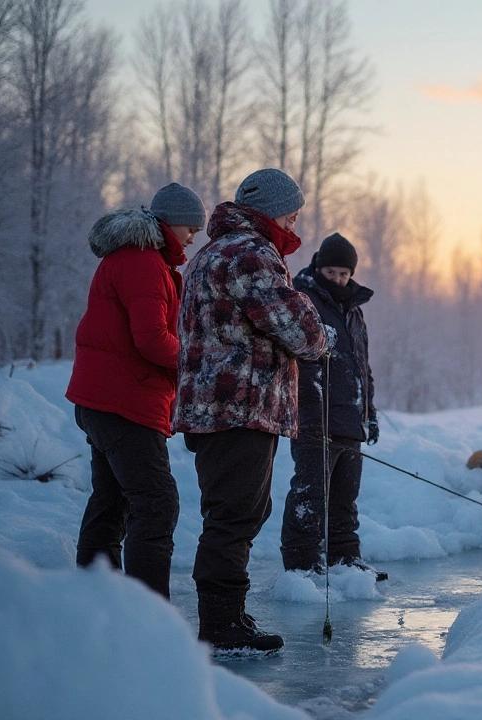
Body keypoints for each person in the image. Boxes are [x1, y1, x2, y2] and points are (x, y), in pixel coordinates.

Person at [175, 168, 328, 654]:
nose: (294, 222)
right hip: (238, 407)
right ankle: (221, 624)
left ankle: (228, 614)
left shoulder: (210, 253)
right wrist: (320, 332)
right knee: (234, 516)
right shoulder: (250, 254)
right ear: (271, 212)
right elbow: (297, 328)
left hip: (215, 407)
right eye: (291, 214)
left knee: (236, 512)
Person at [66, 183, 204, 600]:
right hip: (124, 403)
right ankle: (148, 611)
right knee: (157, 502)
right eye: (190, 227)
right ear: (170, 222)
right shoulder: (144, 263)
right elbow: (152, 339)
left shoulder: (134, 258)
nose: (193, 236)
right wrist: (196, 362)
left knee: (111, 500)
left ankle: (98, 598)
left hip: (105, 400)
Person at [279, 232, 387, 582]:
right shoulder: (304, 301)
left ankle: (345, 560)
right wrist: (309, 411)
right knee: (310, 493)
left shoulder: (354, 311)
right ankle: (302, 565)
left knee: (345, 498)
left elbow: (361, 366)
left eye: (344, 273)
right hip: (315, 419)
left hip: (349, 419)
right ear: (319, 268)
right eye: (331, 273)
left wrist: (369, 414)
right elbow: (300, 361)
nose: (338, 279)